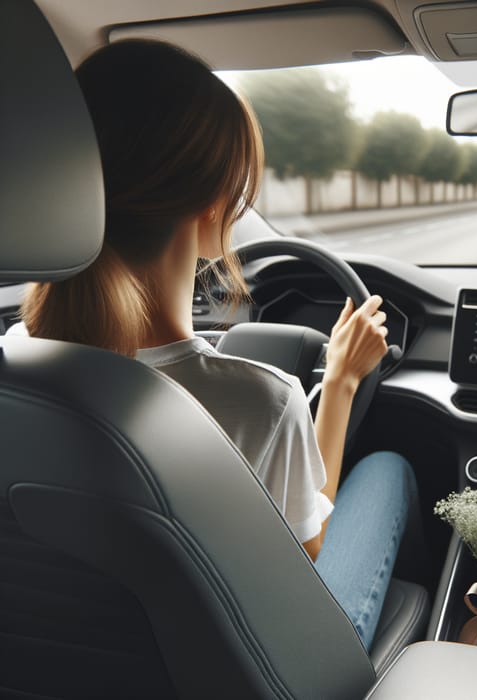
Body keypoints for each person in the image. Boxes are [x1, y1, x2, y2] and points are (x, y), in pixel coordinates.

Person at [20, 39, 418, 652]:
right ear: (213, 203)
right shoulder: (260, 401)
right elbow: (305, 550)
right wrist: (338, 383)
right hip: (256, 664)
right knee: (389, 469)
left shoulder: (16, 362)